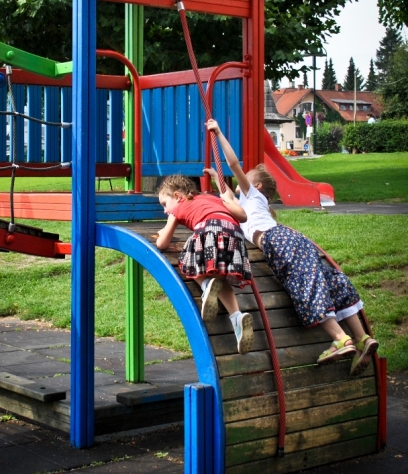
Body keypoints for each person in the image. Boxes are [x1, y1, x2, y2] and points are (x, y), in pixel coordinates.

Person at [205, 118, 379, 377]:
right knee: (330, 281)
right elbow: (226, 195)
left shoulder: (252, 195)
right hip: (293, 239)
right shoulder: (246, 203)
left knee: (304, 285)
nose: (243, 177)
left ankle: (340, 339)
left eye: (248, 176)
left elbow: (232, 164)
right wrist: (214, 176)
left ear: (257, 185)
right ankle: (362, 337)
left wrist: (218, 133)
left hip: (278, 241)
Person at [155, 174, 253, 354]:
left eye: (164, 204)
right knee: (220, 279)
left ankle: (206, 285)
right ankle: (237, 318)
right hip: (235, 235)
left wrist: (162, 233)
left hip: (209, 229)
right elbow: (236, 212)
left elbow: (162, 243)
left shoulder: (178, 208)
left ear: (177, 196)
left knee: (187, 260)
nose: (165, 210)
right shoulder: (210, 198)